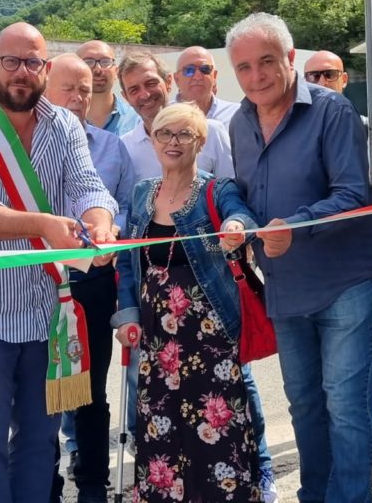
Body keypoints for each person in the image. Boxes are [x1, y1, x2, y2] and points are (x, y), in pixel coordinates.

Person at [0, 22, 118, 503]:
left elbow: (88, 187)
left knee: (40, 441)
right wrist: (46, 225)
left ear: (45, 68)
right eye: (11, 61)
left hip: (45, 312)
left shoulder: (64, 125)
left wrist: (99, 223)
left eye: (32, 62)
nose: (21, 72)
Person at [226, 12, 372, 503]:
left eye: (266, 61)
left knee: (347, 407)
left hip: (344, 283)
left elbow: (353, 194)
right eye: (244, 67)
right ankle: (315, 495)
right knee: (305, 406)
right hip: (285, 287)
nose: (256, 76)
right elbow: (245, 194)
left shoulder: (332, 111)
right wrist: (239, 223)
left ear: (290, 57)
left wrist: (295, 226)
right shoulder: (238, 123)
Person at [112, 102, 264, 503]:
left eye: (184, 134)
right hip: (157, 341)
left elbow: (241, 216)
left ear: (201, 142)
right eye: (165, 133)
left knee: (218, 432)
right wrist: (127, 316)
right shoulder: (142, 193)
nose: (173, 141)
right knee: (162, 432)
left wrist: (235, 227)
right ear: (153, 140)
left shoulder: (217, 190)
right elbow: (128, 263)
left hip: (210, 339)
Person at [45, 53, 136, 503]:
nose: (79, 98)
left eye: (84, 90)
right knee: (44, 395)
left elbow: (127, 206)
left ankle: (93, 485)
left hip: (94, 284)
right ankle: (46, 484)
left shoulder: (111, 147)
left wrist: (112, 232)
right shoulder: (24, 148)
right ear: (46, 88)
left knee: (90, 393)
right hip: (40, 284)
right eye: (68, 89)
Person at [118, 51, 234, 181]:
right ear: (126, 97)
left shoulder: (210, 132)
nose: (145, 95)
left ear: (168, 82)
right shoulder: (125, 148)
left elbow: (231, 187)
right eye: (134, 90)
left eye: (150, 84)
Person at [76, 39, 141, 135]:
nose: (98, 69)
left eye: (105, 62)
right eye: (88, 62)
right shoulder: (64, 120)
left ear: (116, 72)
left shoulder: (136, 120)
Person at [172, 46, 241, 127]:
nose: (197, 77)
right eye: (189, 70)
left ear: (214, 76)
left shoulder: (236, 114)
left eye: (205, 69)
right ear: (176, 79)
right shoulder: (163, 116)